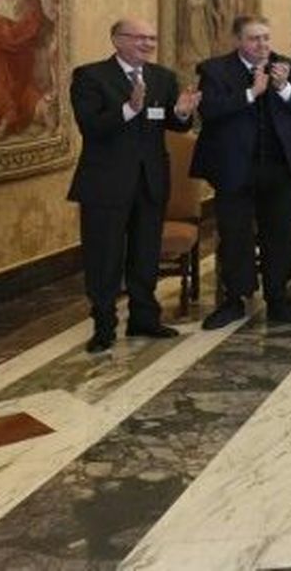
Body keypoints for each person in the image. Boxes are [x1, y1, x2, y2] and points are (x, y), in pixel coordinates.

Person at [68, 19, 200, 353]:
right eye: (139, 37)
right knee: (104, 256)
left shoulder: (162, 78)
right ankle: (104, 325)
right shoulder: (90, 76)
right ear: (117, 40)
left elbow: (174, 123)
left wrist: (183, 114)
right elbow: (92, 127)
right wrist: (130, 108)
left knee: (145, 254)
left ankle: (144, 317)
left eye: (151, 38)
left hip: (150, 181)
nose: (147, 43)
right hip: (105, 183)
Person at [191, 16, 291, 328]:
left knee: (279, 234)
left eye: (266, 38)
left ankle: (277, 298)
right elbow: (210, 111)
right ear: (237, 41)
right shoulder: (214, 70)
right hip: (234, 167)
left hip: (279, 167)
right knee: (235, 235)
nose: (262, 45)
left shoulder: (286, 67)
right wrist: (251, 93)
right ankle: (235, 299)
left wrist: (284, 87)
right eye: (254, 39)